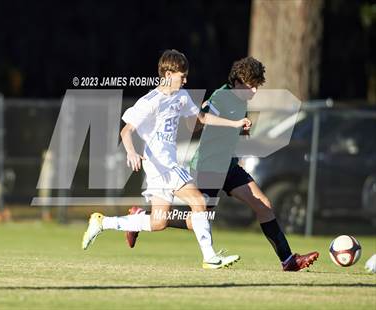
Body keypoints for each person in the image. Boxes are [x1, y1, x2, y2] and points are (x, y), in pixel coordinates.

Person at [126, 56, 319, 272]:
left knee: (263, 204)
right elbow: (197, 122)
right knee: (199, 219)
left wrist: (241, 131)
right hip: (208, 167)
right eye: (251, 86)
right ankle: (143, 217)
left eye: (257, 86)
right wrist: (201, 114)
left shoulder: (241, 99)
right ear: (237, 82)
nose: (254, 91)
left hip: (229, 167)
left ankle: (288, 260)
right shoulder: (221, 97)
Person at [82, 49, 252, 269]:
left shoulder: (181, 96)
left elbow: (201, 118)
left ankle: (102, 222)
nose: (186, 79)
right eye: (182, 75)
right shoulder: (150, 101)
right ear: (169, 74)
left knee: (158, 221)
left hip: (160, 168)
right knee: (199, 202)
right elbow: (126, 131)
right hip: (162, 165)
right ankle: (210, 257)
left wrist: (235, 123)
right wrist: (131, 152)